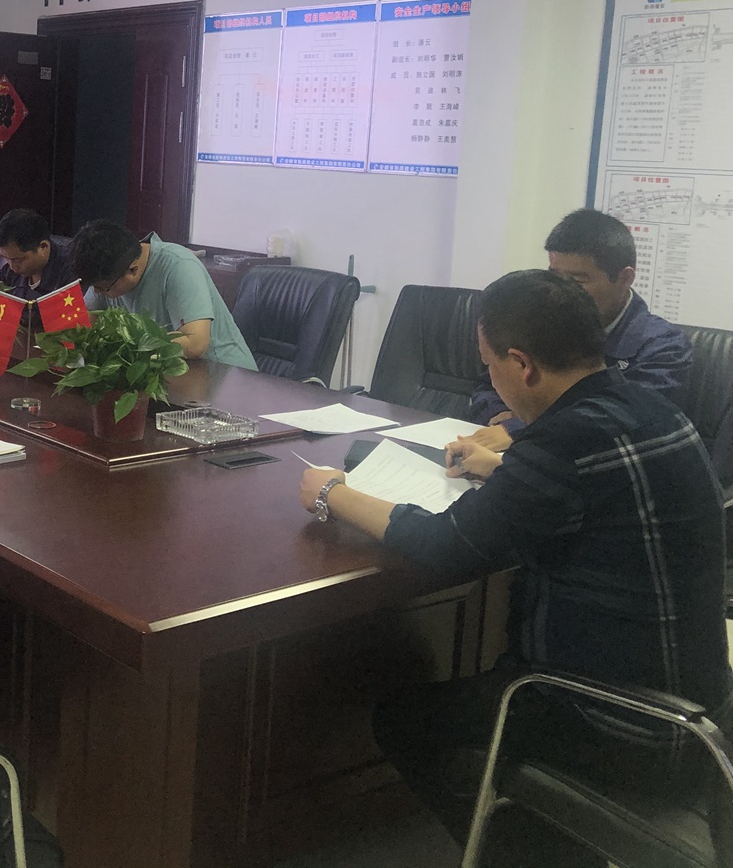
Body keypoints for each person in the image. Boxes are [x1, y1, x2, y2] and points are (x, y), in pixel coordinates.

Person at [298, 269, 730, 867]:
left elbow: (447, 543)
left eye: (490, 366)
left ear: (522, 364)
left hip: (625, 722)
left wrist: (332, 493)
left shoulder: (562, 442)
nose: (491, 381)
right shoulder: (650, 409)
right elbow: (594, 491)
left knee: (406, 722)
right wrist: (503, 469)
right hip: (702, 706)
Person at [468, 207, 691, 452]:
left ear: (625, 278)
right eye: (554, 276)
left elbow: (625, 419)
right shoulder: (544, 321)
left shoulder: (664, 346)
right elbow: (491, 383)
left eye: (577, 280)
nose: (561, 290)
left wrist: (517, 428)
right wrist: (500, 416)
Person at [70, 220, 256, 368]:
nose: (97, 293)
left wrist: (126, 346)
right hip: (169, 373)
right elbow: (85, 321)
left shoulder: (179, 266)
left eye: (103, 288)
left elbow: (195, 343)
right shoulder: (108, 271)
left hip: (222, 376)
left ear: (133, 270)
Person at [0, 208, 72, 301]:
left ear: (43, 246)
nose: (13, 267)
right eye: (6, 258)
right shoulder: (8, 273)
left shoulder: (70, 271)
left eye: (18, 260)